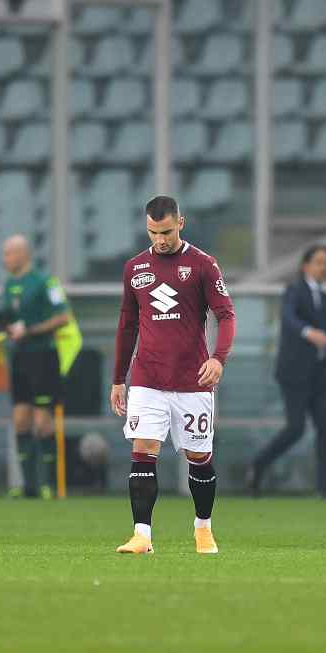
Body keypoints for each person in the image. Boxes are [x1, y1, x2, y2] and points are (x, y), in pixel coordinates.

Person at [112, 196, 236, 555]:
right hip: (148, 378)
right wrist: (119, 378)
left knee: (198, 457)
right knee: (143, 450)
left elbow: (225, 315)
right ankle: (142, 535)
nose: (160, 240)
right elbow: (127, 324)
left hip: (193, 381)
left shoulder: (202, 265)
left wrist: (219, 358)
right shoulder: (135, 268)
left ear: (181, 222)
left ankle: (203, 529)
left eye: (166, 231)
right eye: (153, 232)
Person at [0, 234, 71, 499]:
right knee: (21, 419)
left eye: (9, 253)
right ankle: (29, 486)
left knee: (43, 421)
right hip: (19, 358)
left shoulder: (45, 282)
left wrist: (30, 331)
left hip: (44, 356)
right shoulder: (10, 285)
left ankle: (51, 487)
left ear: (23, 254)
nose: (5, 258)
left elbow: (63, 317)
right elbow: (10, 324)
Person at [248, 245, 326, 497]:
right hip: (295, 373)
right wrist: (309, 332)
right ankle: (259, 464)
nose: (324, 267)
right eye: (319, 262)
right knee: (296, 428)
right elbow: (288, 318)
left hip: (319, 374)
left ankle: (325, 488)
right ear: (306, 265)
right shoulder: (294, 291)